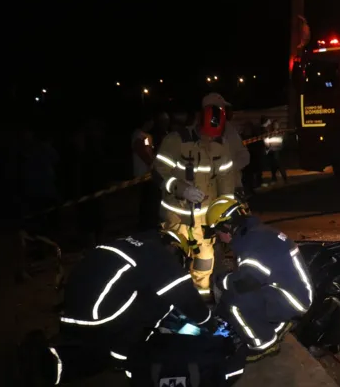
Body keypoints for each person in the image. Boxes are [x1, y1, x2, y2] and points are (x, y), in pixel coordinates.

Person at [18, 230, 216, 386]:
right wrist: (210, 323)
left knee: (87, 351)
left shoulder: (126, 242)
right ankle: (121, 356)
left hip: (72, 309)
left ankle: (47, 361)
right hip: (98, 317)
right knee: (159, 303)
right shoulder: (159, 255)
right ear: (174, 248)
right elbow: (186, 298)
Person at [204, 196, 314, 382]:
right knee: (238, 297)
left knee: (235, 304)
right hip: (292, 292)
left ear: (227, 226)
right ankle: (280, 323)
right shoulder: (254, 234)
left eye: (217, 232)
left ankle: (264, 344)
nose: (217, 237)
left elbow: (246, 282)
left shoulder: (253, 242)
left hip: (294, 298)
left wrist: (219, 281)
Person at [152, 93, 236, 292]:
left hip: (205, 223)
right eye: (207, 134)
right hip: (176, 218)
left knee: (205, 263)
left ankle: (201, 302)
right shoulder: (176, 141)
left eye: (214, 136)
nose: (210, 139)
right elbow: (158, 172)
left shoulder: (222, 147)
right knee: (171, 264)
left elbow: (226, 182)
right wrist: (181, 189)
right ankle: (172, 304)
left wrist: (225, 216)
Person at [214, 94, 250, 201]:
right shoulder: (196, 134)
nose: (229, 113)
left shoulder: (230, 130)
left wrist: (228, 170)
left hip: (231, 187)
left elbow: (244, 156)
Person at [263, 118, 287, 185]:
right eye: (274, 125)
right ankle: (274, 178)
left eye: (276, 125)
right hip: (272, 151)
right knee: (273, 165)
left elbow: (282, 142)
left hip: (278, 151)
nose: (275, 126)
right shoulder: (269, 133)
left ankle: (284, 178)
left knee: (279, 164)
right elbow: (267, 142)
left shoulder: (281, 133)